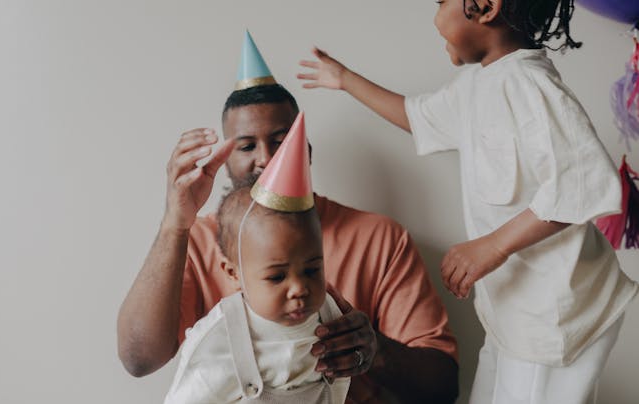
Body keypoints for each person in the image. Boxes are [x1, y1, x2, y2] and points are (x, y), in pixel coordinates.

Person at [297, 0, 638, 404]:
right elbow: (417, 117)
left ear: (486, 7)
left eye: (441, 1)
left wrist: (491, 247)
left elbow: (581, 187)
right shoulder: (480, 84)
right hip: (513, 310)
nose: (435, 16)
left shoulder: (532, 88)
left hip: (558, 318)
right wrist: (346, 79)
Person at [118, 32, 459, 403]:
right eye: (246, 145)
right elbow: (139, 360)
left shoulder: (380, 238)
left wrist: (374, 351)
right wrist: (174, 223)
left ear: (305, 149)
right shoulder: (199, 239)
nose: (265, 157)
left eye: (280, 141)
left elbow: (442, 387)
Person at [165, 113, 350, 403]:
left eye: (312, 270)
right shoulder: (221, 339)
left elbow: (339, 384)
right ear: (233, 272)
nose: (300, 288)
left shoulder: (329, 311)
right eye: (277, 276)